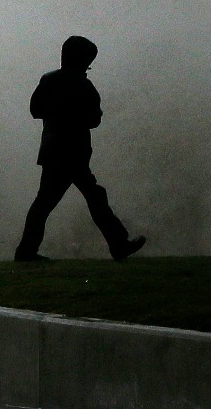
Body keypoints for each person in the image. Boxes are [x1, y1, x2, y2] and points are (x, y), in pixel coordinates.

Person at [14, 36, 146, 262]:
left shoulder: (48, 80)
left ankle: (26, 250)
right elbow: (94, 119)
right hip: (74, 152)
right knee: (93, 198)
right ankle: (118, 244)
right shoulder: (84, 85)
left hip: (53, 151)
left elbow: (35, 110)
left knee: (45, 203)